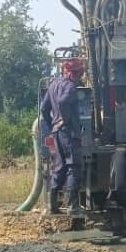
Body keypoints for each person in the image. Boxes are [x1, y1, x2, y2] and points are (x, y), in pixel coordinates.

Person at [40, 57, 86, 215]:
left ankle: (52, 205)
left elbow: (44, 108)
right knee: (74, 166)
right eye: (80, 74)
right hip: (69, 132)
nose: (81, 78)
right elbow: (63, 101)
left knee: (59, 167)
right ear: (74, 73)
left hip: (57, 133)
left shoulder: (53, 85)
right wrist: (65, 120)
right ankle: (73, 206)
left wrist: (53, 124)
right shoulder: (70, 87)